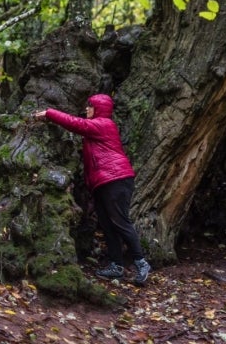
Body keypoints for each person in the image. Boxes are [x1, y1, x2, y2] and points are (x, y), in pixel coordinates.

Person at [34, 94, 151, 285]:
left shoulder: (103, 124)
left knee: (120, 222)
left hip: (117, 179)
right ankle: (116, 266)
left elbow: (76, 124)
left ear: (99, 109)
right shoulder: (98, 127)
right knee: (107, 224)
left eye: (90, 106)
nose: (87, 110)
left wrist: (49, 113)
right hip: (104, 182)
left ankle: (141, 262)